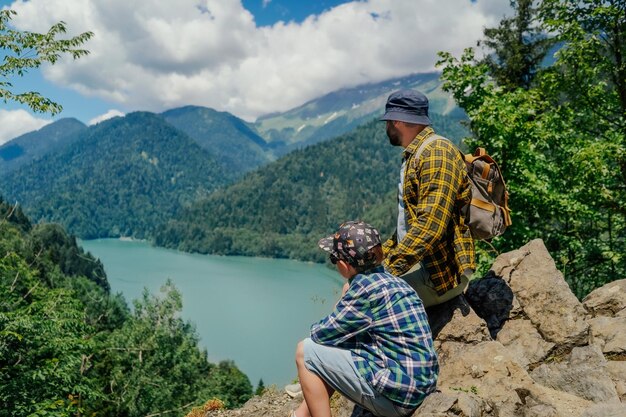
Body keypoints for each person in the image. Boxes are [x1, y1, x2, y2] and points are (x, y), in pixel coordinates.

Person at [292, 221, 438, 417]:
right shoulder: (396, 282)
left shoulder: (364, 288)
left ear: (344, 265)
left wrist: (343, 301)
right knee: (340, 344)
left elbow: (321, 335)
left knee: (305, 351)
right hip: (418, 388)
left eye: (333, 258)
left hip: (397, 400)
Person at [380, 90, 475, 308]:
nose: (386, 128)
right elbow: (410, 223)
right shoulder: (419, 153)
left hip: (439, 276)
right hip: (427, 268)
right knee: (357, 290)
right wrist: (377, 258)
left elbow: (430, 226)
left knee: (364, 302)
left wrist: (384, 273)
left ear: (397, 120)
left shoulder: (436, 152)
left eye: (387, 122)